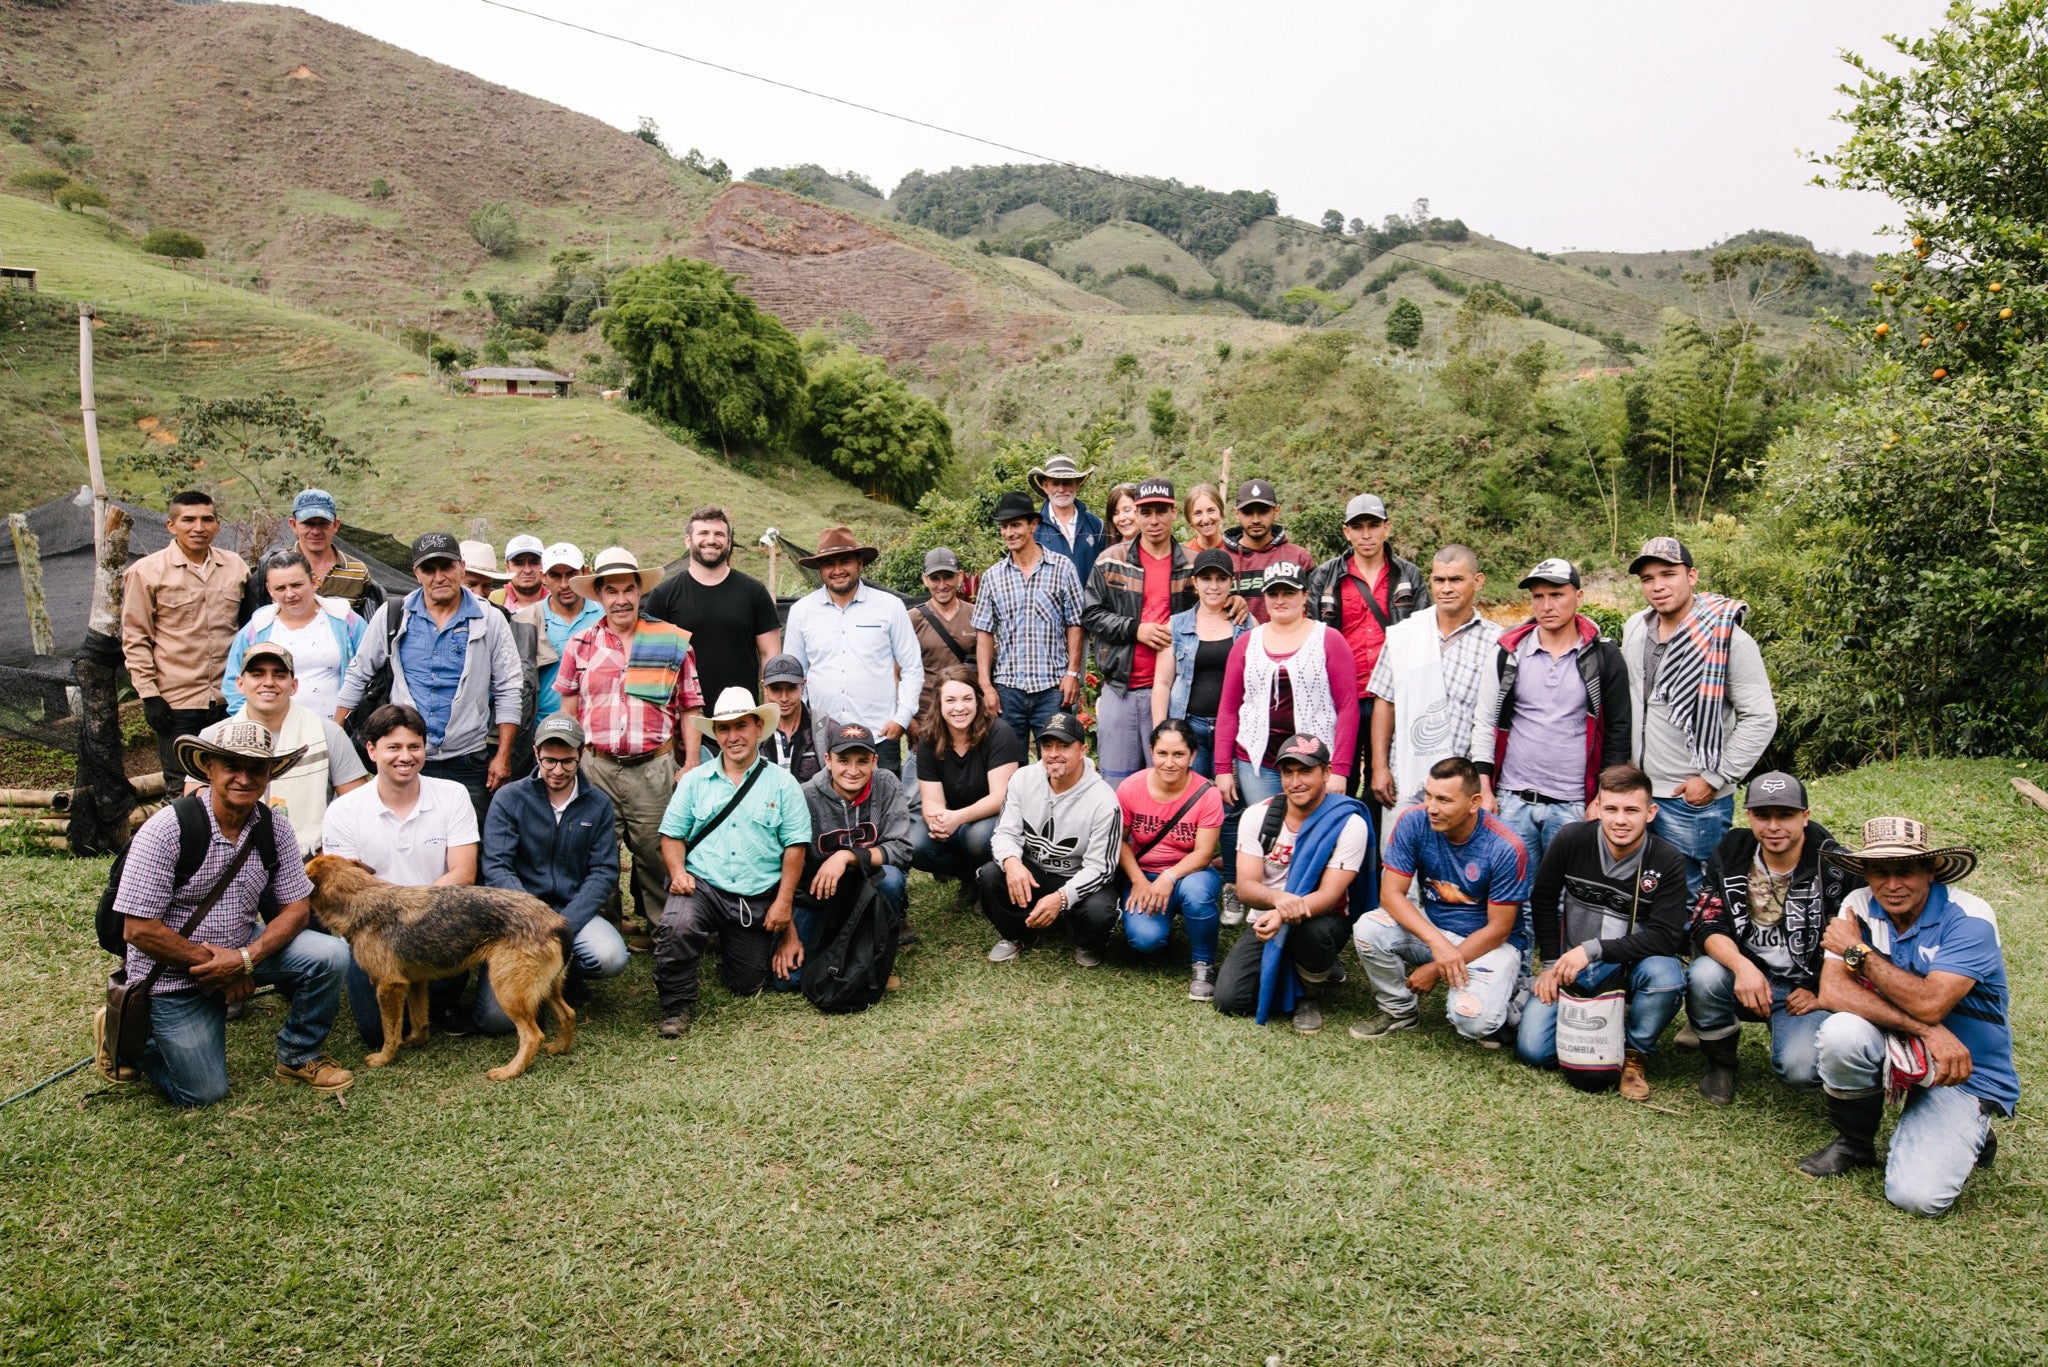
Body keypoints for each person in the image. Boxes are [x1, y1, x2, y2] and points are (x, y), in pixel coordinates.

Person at [106, 720, 353, 1106]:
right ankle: (128, 1040)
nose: (244, 778)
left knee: (332, 954)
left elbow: (297, 908)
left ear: (270, 772)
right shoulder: (167, 829)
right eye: (231, 766)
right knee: (203, 1093)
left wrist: (245, 959)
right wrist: (219, 969)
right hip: (171, 973)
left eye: (256, 768)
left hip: (240, 951)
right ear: (208, 767)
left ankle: (298, 1053)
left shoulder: (275, 829)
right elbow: (138, 931)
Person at [1802, 817, 2016, 1217]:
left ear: (1930, 871)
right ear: (1865, 873)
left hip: (1963, 1067)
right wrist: (1925, 1031)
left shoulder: (1971, 916)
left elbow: (1932, 1004)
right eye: (1880, 872)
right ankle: (1854, 1143)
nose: (1892, 885)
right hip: (1908, 1041)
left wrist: (1859, 953)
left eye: (1905, 871)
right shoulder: (1857, 905)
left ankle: (1968, 1130)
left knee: (1917, 1198)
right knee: (1841, 1033)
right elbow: (1832, 992)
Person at [1513, 763, 1690, 1100]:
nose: (1620, 820)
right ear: (1596, 807)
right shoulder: (1572, 839)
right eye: (1611, 808)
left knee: (1665, 974)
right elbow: (1543, 899)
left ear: (1650, 812)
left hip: (1626, 968)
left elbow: (1666, 937)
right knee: (1534, 1052)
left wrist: (1593, 949)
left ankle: (1635, 1055)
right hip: (1571, 969)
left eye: (1631, 810)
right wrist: (1550, 965)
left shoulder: (1666, 860)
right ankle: (1605, 1024)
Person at [552, 546, 705, 933]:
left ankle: (664, 930)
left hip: (653, 767)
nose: (620, 600)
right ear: (599, 596)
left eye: (628, 590)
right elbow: (568, 710)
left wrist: (689, 764)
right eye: (611, 591)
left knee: (657, 854)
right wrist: (571, 764)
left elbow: (690, 706)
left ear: (640, 592)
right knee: (595, 853)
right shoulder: (580, 644)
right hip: (596, 766)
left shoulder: (670, 641)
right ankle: (605, 928)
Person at [1622, 536, 1778, 895]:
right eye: (1647, 579)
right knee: (1644, 886)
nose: (1658, 586)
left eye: (1668, 574)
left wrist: (1713, 777)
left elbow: (1760, 717)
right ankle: (1652, 948)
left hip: (1693, 795)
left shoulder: (1729, 641)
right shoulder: (1635, 628)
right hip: (1641, 789)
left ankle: (1696, 950)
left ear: (1691, 576)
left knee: (1695, 889)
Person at [335, 532, 523, 829]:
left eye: (446, 566)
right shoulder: (393, 615)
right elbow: (358, 674)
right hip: (405, 757)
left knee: (467, 843)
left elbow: (509, 689)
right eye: (429, 569)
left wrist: (502, 756)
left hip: (467, 759)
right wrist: (336, 736)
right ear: (416, 573)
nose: (439, 577)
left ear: (462, 567)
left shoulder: (490, 620)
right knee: (401, 838)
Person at [653, 687, 812, 1037]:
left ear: (758, 727)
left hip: (752, 896)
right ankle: (675, 1005)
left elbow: (795, 849)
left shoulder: (784, 785)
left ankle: (729, 944)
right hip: (703, 886)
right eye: (723, 728)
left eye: (741, 726)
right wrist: (678, 872)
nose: (732, 736)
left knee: (748, 983)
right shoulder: (694, 780)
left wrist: (784, 904)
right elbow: (671, 835)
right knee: (677, 925)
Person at [320, 703, 482, 1044]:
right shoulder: (344, 810)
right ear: (371, 750)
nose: (405, 757)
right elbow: (347, 894)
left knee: (440, 1007)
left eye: (414, 746)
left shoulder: (452, 795)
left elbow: (464, 873)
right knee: (375, 1033)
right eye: (393, 747)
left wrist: (409, 916)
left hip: (438, 925)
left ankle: (444, 996)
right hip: (374, 932)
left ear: (424, 748)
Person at [1687, 771, 1851, 1104]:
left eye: (1785, 815)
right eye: (1762, 815)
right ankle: (1721, 1064)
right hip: (1745, 976)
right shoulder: (1733, 850)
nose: (1773, 826)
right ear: (1748, 816)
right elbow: (1706, 920)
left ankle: (1791, 1037)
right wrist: (1742, 968)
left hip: (1801, 988)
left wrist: (1820, 989)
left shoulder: (1836, 864)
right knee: (1704, 974)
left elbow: (1856, 941)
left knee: (1801, 1070)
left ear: (1805, 817)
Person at [1351, 757, 1530, 1045]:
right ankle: (1399, 1011)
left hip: (1489, 943)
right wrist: (1439, 946)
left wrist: (1435, 968)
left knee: (1473, 1024)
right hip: (1435, 927)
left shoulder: (1506, 846)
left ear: (1474, 802)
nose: (1432, 808)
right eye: (1429, 795)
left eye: (1444, 800)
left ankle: (1507, 994)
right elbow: (1391, 894)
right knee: (1368, 929)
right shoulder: (1413, 820)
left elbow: (1499, 929)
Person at [1475, 558, 1631, 870]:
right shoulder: (1508, 653)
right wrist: (1484, 786)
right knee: (1514, 894)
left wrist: (1604, 797)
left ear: (1579, 596)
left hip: (1572, 804)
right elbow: (1485, 720)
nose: (1546, 605)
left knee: (1566, 898)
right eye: (1538, 596)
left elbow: (1618, 731)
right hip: (1513, 799)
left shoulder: (1603, 656)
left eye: (1557, 595)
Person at [1213, 735, 1375, 1034]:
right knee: (1229, 1000)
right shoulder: (1258, 816)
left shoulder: (1348, 823)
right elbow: (1246, 888)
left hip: (1321, 919)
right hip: (1267, 917)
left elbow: (1328, 896)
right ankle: (1303, 969)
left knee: (1314, 932)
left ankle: (1310, 996)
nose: (1295, 781)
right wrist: (1279, 903)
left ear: (1326, 773)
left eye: (1305, 771)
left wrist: (1279, 912)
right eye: (1288, 772)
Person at [478, 713, 628, 1026]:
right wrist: (533, 917)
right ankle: (529, 975)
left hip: (571, 911)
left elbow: (603, 871)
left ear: (582, 755)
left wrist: (564, 925)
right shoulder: (509, 798)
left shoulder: (598, 803)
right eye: (549, 761)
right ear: (535, 754)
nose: (557, 770)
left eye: (567, 762)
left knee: (611, 956)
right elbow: (497, 866)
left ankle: (564, 974)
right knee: (497, 1020)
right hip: (518, 915)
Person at [1368, 546, 1502, 838]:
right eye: (1439, 580)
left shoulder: (1497, 641)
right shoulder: (1406, 634)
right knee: (1398, 863)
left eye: (1456, 580)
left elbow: (1492, 719)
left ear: (1477, 581)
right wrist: (1379, 767)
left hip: (1461, 783)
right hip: (1405, 775)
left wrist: (1485, 782)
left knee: (1453, 870)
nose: (1446, 588)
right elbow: (1384, 701)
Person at [191, 641, 368, 857]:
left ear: (293, 685)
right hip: (232, 858)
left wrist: (331, 853)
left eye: (279, 675)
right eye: (257, 674)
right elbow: (197, 809)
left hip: (312, 859)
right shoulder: (213, 737)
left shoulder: (328, 734)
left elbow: (358, 805)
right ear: (239, 683)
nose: (268, 683)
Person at [123, 490, 250, 784]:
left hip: (229, 698)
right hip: (177, 703)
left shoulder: (236, 567)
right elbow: (135, 636)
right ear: (171, 525)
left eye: (207, 519)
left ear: (217, 525)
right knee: (182, 786)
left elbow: (247, 629)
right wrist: (150, 695)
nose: (198, 527)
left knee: (234, 781)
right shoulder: (147, 572)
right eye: (188, 520)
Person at [975, 710, 1121, 966]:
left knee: (1101, 911)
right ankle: (1019, 934)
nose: (1053, 753)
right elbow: (1004, 832)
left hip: (1077, 874)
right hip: (1035, 871)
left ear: (1083, 749)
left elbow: (1101, 868)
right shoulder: (1022, 778)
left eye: (1063, 746)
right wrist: (1012, 863)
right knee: (990, 875)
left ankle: (1086, 941)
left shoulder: (1104, 800)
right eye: (1047, 745)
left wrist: (1062, 898)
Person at [1216, 560, 1360, 817]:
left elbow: (1348, 707)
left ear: (1305, 595)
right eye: (1273, 593)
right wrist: (1222, 768)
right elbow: (1228, 709)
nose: (1280, 600)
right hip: (1259, 762)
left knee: (1312, 833)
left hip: (1313, 762)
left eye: (1289, 592)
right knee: (1267, 831)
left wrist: (1340, 769)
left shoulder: (1328, 640)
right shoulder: (1247, 642)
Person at [777, 721, 914, 990]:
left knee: (892, 879)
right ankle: (842, 956)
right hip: (818, 895)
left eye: (862, 761)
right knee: (788, 981)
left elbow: (902, 848)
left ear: (875, 761)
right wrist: (788, 932)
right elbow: (784, 865)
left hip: (867, 889)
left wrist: (846, 857)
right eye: (843, 760)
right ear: (827, 760)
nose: (853, 770)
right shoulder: (805, 797)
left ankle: (874, 956)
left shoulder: (886, 784)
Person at [1308, 493, 1425, 797]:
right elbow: (1311, 633)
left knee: (1384, 779)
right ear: (1346, 531)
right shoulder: (1325, 576)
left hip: (1392, 695)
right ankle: (1344, 842)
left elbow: (1423, 634)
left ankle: (1377, 845)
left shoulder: (1408, 575)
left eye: (1373, 525)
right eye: (1358, 527)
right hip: (1342, 695)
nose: (1366, 534)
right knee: (1336, 776)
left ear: (1387, 527)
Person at [643, 506, 782, 760]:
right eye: (703, 532)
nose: (711, 540)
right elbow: (652, 674)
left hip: (742, 723)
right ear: (688, 540)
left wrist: (772, 718)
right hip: (684, 730)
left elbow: (771, 658)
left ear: (728, 541)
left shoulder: (754, 592)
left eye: (719, 534)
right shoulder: (664, 596)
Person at [1083, 477, 1197, 784]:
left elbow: (1214, 611)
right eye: (1146, 512)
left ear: (1174, 512)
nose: (1154, 520)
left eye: (1162, 511)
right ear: (1137, 514)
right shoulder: (1112, 560)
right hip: (1120, 687)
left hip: (1173, 694)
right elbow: (1091, 614)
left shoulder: (1192, 565)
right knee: (1117, 786)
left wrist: (1235, 602)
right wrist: (1136, 629)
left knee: (1168, 783)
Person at [784, 526, 922, 776]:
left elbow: (912, 667)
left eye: (845, 561)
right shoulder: (802, 612)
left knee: (882, 809)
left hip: (880, 734)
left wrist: (901, 718)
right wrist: (801, 727)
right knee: (824, 810)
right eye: (828, 564)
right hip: (821, 738)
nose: (837, 570)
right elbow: (795, 674)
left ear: (860, 563)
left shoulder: (889, 607)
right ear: (819, 569)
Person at [1117, 720, 1226, 1000]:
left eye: (1178, 754)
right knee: (1145, 941)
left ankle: (1203, 964)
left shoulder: (1208, 794)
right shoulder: (1131, 788)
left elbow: (1203, 854)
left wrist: (1169, 877)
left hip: (1191, 873)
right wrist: (1138, 881)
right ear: (1151, 751)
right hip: (1145, 874)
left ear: (1193, 755)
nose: (1169, 762)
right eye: (1162, 753)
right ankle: (1159, 920)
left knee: (1196, 892)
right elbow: (1119, 841)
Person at [975, 490, 1084, 748]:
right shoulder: (993, 576)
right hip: (1008, 688)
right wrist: (986, 685)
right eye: (1004, 527)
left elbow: (1075, 623)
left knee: (1056, 759)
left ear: (1033, 525)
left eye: (1016, 525)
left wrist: (1072, 673)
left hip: (1052, 687)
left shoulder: (1062, 568)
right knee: (1009, 765)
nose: (1009, 533)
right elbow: (984, 632)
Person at [911, 664, 1021, 892]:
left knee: (977, 837)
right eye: (950, 700)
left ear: (978, 700)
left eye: (967, 699)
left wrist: (957, 818)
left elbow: (1001, 797)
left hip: (997, 816)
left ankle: (992, 879)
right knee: (914, 845)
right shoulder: (928, 739)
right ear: (939, 703)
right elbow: (931, 800)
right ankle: (969, 877)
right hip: (954, 816)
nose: (959, 708)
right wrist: (936, 822)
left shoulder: (999, 732)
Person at [225, 548, 366, 722]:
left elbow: (369, 671)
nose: (290, 594)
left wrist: (346, 722)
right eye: (280, 588)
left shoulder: (346, 620)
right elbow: (233, 683)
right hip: (275, 737)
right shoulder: (257, 628)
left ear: (314, 581)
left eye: (296, 585)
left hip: (339, 730)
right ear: (269, 590)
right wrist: (254, 724)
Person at [1151, 547, 1249, 778]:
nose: (1213, 586)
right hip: (1190, 727)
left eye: (1221, 579)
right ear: (1195, 582)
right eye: (1206, 579)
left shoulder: (1246, 624)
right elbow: (1162, 683)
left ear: (1231, 582)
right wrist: (1161, 730)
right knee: (1193, 796)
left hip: (1236, 727)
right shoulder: (1176, 625)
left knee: (1230, 800)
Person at [239, 487, 385, 618]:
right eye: (308, 524)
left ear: (335, 525)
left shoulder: (357, 572)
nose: (315, 531)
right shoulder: (275, 568)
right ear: (293, 525)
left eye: (323, 524)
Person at [1221, 478, 1315, 624]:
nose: (1256, 519)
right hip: (1234, 644)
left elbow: (1312, 610)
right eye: (1248, 512)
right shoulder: (1221, 559)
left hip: (1286, 642)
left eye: (1263, 511)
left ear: (1276, 511)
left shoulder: (1298, 557)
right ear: (1236, 514)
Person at [523, 542, 600, 720]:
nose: (564, 584)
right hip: (544, 727)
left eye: (571, 574)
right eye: (556, 576)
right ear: (543, 577)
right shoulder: (528, 620)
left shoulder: (604, 616)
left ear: (585, 572)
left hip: (595, 725)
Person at [909, 546, 977, 732]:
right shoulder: (913, 619)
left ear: (960, 576)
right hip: (927, 716)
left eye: (947, 577)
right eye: (934, 578)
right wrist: (909, 720)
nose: (942, 585)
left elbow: (989, 665)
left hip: (965, 715)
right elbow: (898, 672)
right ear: (924, 579)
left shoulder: (976, 615)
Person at [1029, 451, 1106, 588]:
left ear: (1077, 485)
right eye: (1055, 483)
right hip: (1050, 608)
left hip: (1090, 607)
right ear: (1045, 486)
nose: (1061, 489)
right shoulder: (1034, 528)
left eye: (1067, 483)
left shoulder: (1096, 525)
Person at [761, 652, 824, 784]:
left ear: (803, 685)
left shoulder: (824, 730)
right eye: (776, 689)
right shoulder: (755, 731)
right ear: (764, 688)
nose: (784, 698)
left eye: (791, 688)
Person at [497, 534, 549, 611]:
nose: (527, 570)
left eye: (534, 562)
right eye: (518, 563)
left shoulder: (558, 602)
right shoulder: (492, 600)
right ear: (507, 567)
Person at [1180, 483, 1227, 557]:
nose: (1205, 520)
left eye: (1211, 510)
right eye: (1197, 513)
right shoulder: (1185, 555)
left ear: (1220, 512)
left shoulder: (1235, 550)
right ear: (1189, 519)